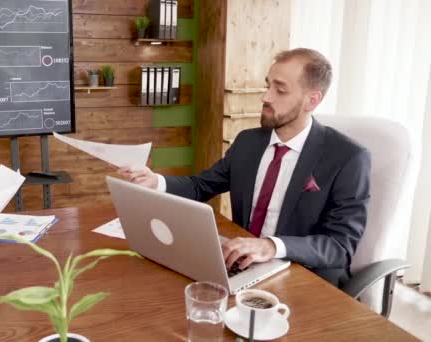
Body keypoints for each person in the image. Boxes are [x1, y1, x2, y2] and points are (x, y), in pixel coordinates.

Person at [119, 48, 371, 287]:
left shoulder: (348, 158)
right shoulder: (248, 142)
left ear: (311, 100)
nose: (265, 96)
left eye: (280, 90)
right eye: (267, 85)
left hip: (306, 275)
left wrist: (271, 246)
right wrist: (156, 182)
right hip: (246, 266)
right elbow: (201, 185)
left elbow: (339, 246)